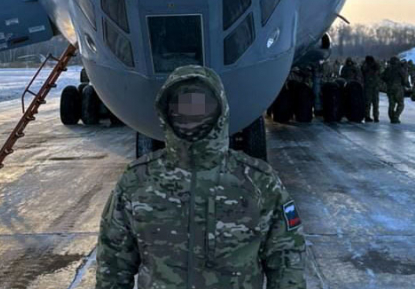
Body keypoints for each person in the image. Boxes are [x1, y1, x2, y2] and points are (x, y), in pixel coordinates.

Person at [96, 66, 306, 289]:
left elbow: (287, 259)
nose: (191, 115)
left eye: (203, 105)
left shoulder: (259, 182)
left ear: (220, 111)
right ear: (166, 112)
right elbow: (113, 261)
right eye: (180, 106)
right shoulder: (137, 181)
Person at [382, 57, 408, 123]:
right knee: (401, 104)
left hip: (389, 88)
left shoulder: (388, 69)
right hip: (398, 88)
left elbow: (382, 77)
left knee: (391, 104)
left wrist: (388, 82)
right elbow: (404, 79)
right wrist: (405, 84)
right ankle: (396, 117)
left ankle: (392, 118)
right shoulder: (400, 69)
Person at [361, 55, 381, 122]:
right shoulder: (373, 65)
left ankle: (368, 116)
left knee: (368, 103)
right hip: (373, 86)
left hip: (369, 86)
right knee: (375, 103)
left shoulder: (366, 66)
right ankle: (375, 117)